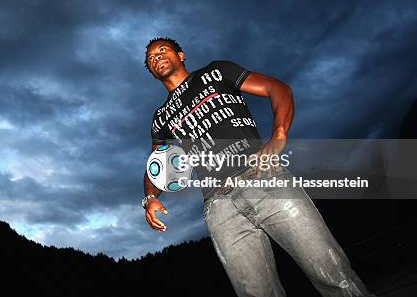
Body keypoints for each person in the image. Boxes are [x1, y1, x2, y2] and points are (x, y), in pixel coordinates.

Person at [141, 37, 375, 297]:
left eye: (162, 50)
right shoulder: (160, 117)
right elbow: (156, 165)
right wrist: (150, 198)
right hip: (219, 207)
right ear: (151, 71)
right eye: (150, 57)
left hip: (263, 179)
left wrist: (279, 135)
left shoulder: (215, 72)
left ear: (181, 55)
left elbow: (278, 88)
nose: (156, 56)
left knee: (332, 274)